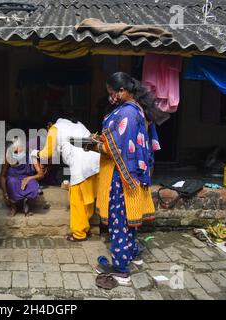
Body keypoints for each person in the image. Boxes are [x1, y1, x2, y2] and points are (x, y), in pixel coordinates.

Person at [87, 72, 163, 286]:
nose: (110, 97)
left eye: (112, 93)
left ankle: (121, 269)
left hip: (121, 175)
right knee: (128, 217)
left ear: (121, 91)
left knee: (119, 220)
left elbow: (117, 148)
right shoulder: (135, 108)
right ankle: (131, 255)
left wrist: (92, 145)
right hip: (130, 174)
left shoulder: (128, 113)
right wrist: (99, 138)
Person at [31, 118, 100, 242]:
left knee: (77, 200)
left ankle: (79, 233)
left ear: (49, 124)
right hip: (96, 161)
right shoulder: (78, 124)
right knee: (88, 197)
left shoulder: (55, 128)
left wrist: (35, 153)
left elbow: (47, 153)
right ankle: (85, 227)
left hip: (81, 165)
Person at [0, 138, 44, 217]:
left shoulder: (30, 155)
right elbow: (3, 176)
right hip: (13, 179)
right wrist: (5, 193)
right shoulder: (8, 157)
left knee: (33, 185)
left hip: (26, 178)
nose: (18, 153)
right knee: (11, 183)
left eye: (20, 151)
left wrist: (29, 178)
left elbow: (41, 174)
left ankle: (26, 203)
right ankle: (13, 207)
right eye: (15, 152)